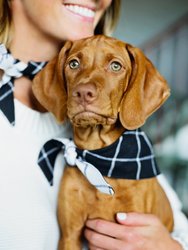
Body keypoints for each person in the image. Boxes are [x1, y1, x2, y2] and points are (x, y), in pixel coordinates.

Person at [0, 0, 187, 250]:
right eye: (74, 64)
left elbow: (179, 229)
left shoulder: (127, 149)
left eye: (115, 67)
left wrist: (169, 247)